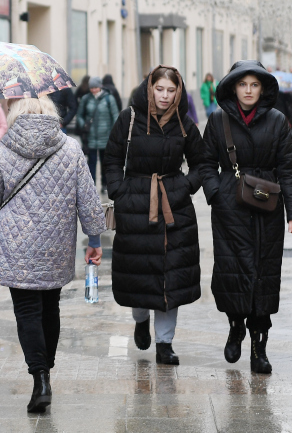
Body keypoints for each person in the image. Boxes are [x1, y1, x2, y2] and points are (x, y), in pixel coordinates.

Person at [0, 96, 105, 413]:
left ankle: (40, 376)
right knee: (50, 305)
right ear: (52, 115)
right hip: (56, 244)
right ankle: (47, 366)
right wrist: (95, 239)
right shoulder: (71, 148)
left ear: (14, 115)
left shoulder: (0, 151)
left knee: (27, 311)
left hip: (16, 247)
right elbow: (88, 199)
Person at [200, 60, 292, 374]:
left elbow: (288, 170)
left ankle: (260, 347)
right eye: (243, 84)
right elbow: (205, 163)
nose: (248, 90)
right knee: (233, 271)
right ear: (233, 87)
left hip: (268, 209)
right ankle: (235, 325)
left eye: (254, 85)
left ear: (263, 88)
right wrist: (217, 193)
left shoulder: (277, 120)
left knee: (264, 275)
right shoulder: (218, 121)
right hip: (230, 209)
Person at [103, 65, 205, 365]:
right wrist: (119, 191)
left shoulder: (185, 124)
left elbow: (202, 163)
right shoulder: (129, 118)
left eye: (170, 90)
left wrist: (184, 186)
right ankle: (139, 319)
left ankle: (165, 343)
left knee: (169, 276)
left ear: (178, 92)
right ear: (150, 88)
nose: (164, 95)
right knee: (138, 274)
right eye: (159, 89)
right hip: (135, 204)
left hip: (174, 209)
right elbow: (112, 157)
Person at [77, 76, 120, 193]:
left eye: (95, 87)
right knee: (91, 161)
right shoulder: (86, 99)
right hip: (91, 136)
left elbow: (115, 117)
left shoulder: (109, 99)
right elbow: (80, 115)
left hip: (105, 136)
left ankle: (105, 184)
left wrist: (113, 133)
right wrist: (83, 125)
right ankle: (92, 184)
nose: (93, 90)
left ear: (100, 86)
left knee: (105, 162)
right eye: (91, 88)